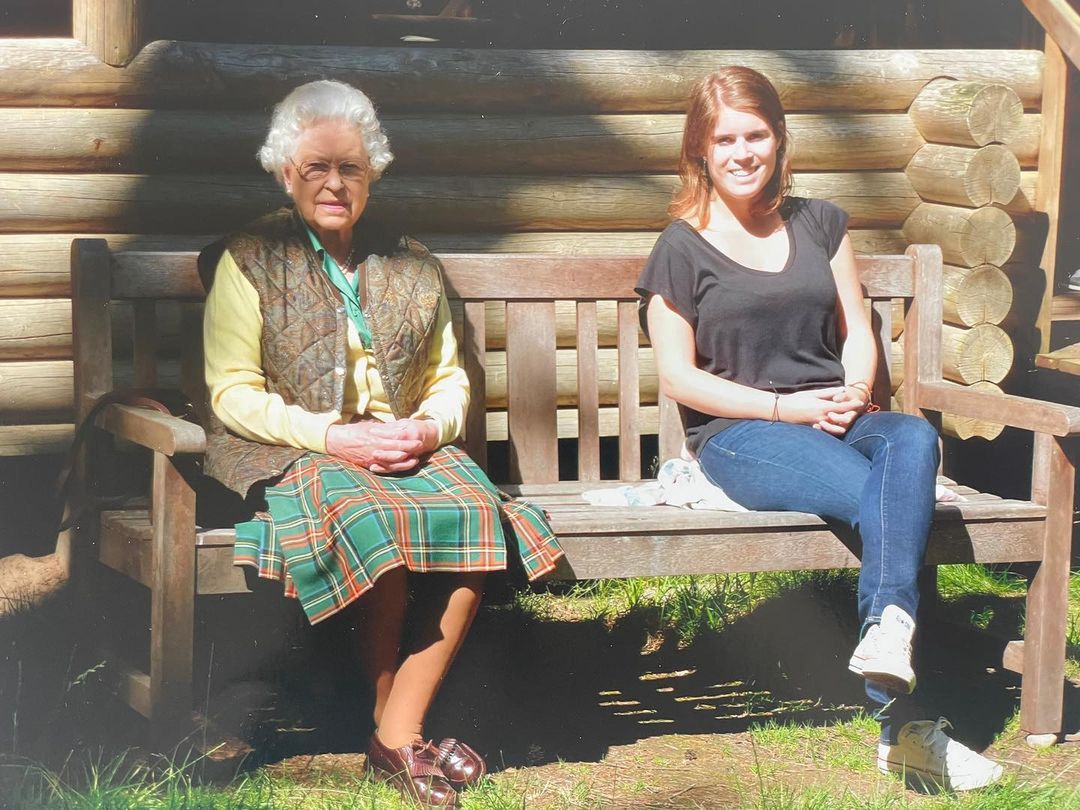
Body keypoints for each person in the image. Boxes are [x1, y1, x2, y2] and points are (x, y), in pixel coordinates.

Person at [635, 66, 1003, 793]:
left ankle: (888, 629)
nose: (743, 152)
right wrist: (785, 409)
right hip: (742, 433)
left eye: (757, 135)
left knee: (912, 440)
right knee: (882, 495)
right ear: (700, 151)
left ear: (778, 140)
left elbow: (856, 327)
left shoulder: (820, 223)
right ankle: (906, 727)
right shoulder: (679, 248)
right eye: (726, 139)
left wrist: (857, 389)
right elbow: (679, 379)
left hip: (838, 413)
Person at [201, 80, 564, 808]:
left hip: (401, 446)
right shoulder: (248, 260)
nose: (335, 185)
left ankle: (396, 730)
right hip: (297, 449)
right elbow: (231, 393)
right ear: (284, 173)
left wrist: (429, 429)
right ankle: (402, 739)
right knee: (376, 521)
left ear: (372, 174)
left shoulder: (411, 263)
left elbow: (449, 378)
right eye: (316, 169)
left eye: (351, 170)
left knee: (474, 511)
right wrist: (333, 436)